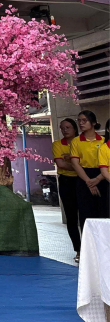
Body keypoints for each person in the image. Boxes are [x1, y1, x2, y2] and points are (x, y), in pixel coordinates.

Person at [70, 110, 108, 231]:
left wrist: (98, 179)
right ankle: (87, 242)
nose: (81, 123)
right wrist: (89, 182)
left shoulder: (103, 140)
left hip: (103, 176)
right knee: (86, 213)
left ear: (93, 122)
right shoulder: (76, 141)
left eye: (84, 120)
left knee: (104, 212)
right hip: (84, 177)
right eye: (79, 120)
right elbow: (75, 164)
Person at [51, 118, 81, 262]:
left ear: (75, 128)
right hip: (66, 182)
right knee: (71, 217)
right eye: (62, 128)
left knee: (86, 216)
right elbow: (61, 164)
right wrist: (78, 164)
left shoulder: (81, 142)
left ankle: (90, 249)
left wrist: (73, 161)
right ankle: (78, 250)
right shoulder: (57, 144)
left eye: (68, 127)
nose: (64, 130)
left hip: (82, 180)